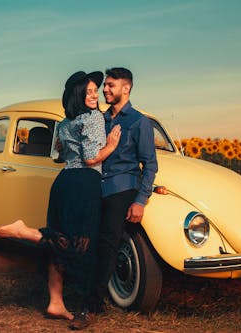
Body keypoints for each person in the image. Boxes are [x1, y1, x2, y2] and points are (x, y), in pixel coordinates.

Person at [0, 70, 121, 330]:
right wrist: (112, 145)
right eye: (90, 91)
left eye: (96, 90)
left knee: (59, 238)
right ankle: (24, 232)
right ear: (79, 95)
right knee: (80, 244)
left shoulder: (63, 123)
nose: (95, 95)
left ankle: (55, 302)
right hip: (85, 182)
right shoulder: (93, 118)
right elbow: (92, 157)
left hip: (63, 182)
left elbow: (57, 156)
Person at [86, 67, 158, 313]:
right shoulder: (100, 119)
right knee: (91, 241)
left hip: (122, 189)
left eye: (110, 86)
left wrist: (140, 201)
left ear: (126, 89)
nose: (105, 89)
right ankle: (87, 289)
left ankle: (94, 304)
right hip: (98, 187)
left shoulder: (139, 122)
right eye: (105, 86)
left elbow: (150, 164)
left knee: (108, 243)